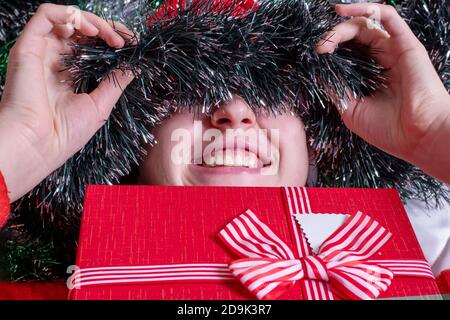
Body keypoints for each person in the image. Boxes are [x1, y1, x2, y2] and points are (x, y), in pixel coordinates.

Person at [0, 2, 449, 293]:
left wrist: (433, 133)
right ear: (134, 142)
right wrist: (20, 151)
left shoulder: (416, 280)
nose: (233, 112)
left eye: (274, 91)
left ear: (315, 146)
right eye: (185, 89)